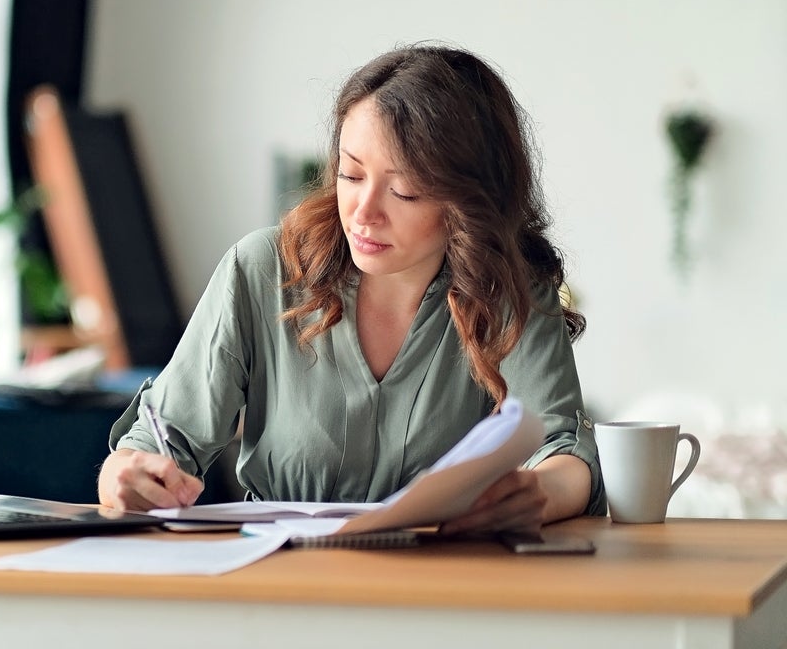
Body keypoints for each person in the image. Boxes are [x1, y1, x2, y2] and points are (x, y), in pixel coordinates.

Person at [98, 44, 606, 534]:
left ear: (470, 201)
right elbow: (162, 437)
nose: (363, 213)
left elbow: (562, 448)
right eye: (350, 173)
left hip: (443, 587)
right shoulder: (261, 270)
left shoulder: (509, 290)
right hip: (278, 580)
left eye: (403, 190)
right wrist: (125, 473)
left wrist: (537, 493)